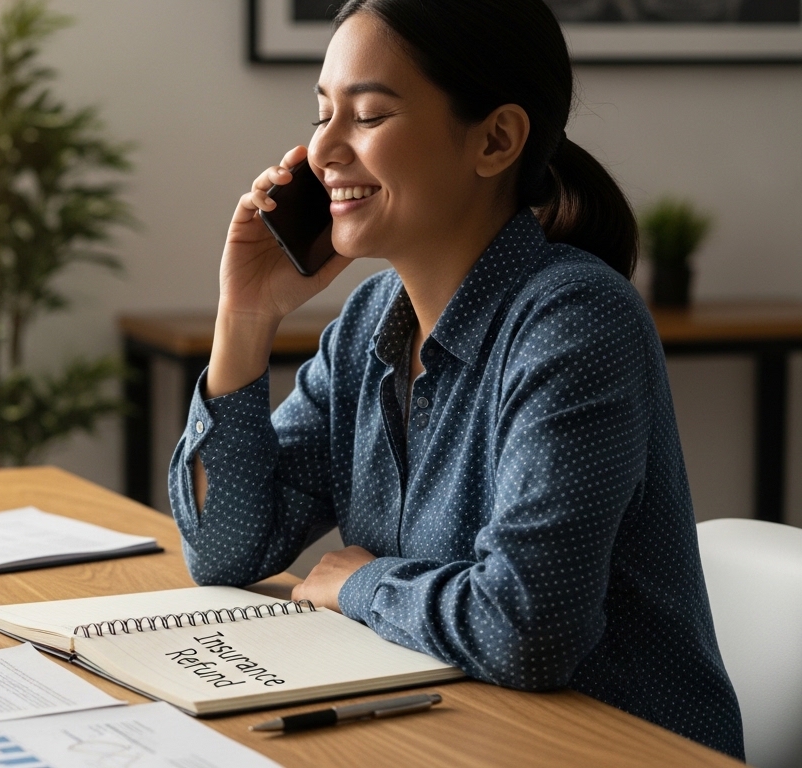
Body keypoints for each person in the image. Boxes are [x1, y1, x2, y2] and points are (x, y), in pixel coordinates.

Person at [168, 0, 744, 758]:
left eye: (368, 116)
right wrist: (244, 315)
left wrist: (362, 584)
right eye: (321, 113)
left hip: (612, 747)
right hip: (449, 733)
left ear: (496, 139)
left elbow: (525, 630)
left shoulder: (576, 322)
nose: (322, 152)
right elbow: (225, 551)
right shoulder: (371, 322)